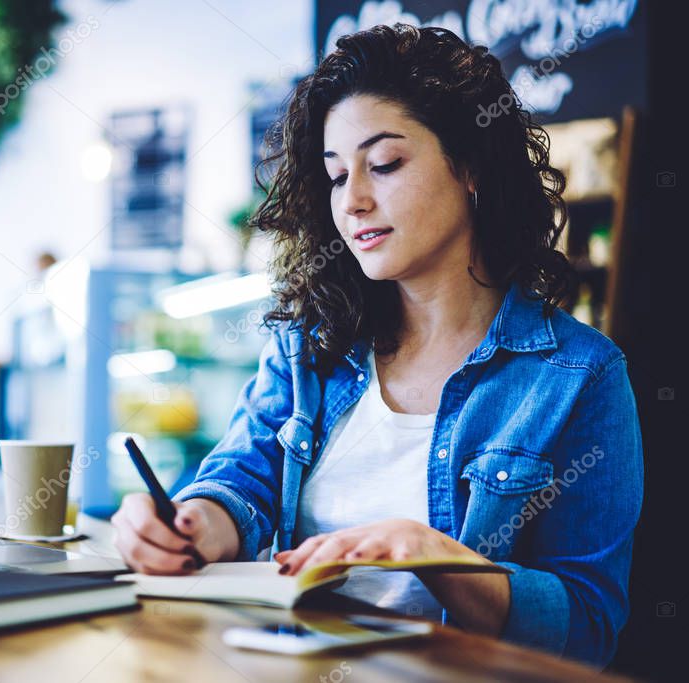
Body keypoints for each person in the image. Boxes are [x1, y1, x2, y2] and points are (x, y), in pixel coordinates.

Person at [111, 24, 642, 668]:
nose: (354, 201)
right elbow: (243, 480)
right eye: (336, 177)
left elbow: (587, 628)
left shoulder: (577, 376)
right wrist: (188, 525)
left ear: (471, 168)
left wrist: (437, 557)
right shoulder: (309, 348)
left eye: (384, 165)